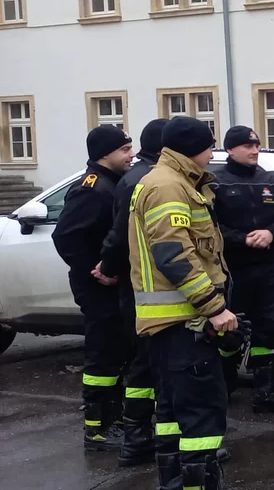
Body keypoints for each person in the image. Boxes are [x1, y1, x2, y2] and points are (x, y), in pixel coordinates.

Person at [129, 117, 238, 490]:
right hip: (184, 322)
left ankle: (175, 481)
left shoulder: (171, 182)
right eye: (210, 146)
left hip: (173, 322)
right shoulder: (168, 187)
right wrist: (214, 307)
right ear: (195, 148)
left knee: (174, 413)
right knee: (201, 416)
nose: (213, 153)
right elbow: (173, 255)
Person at [52, 125, 134, 451]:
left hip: (113, 282)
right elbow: (66, 236)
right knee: (103, 355)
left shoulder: (112, 183)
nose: (131, 155)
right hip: (98, 286)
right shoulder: (93, 188)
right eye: (125, 149)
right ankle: (98, 427)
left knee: (117, 351)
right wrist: (95, 270)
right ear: (105, 154)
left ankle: (115, 418)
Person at [211, 126, 274, 414]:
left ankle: (267, 393)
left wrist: (271, 233)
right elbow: (210, 228)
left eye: (256, 145)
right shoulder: (217, 183)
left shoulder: (268, 181)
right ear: (230, 150)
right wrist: (242, 239)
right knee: (230, 331)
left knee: (269, 330)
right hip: (233, 270)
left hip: (269, 268)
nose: (254, 150)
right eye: (247, 146)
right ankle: (222, 390)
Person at [97, 119, 167, 466]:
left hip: (140, 286)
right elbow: (120, 234)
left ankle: (138, 435)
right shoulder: (144, 180)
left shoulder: (137, 177)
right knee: (149, 362)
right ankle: (139, 436)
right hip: (146, 288)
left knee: (146, 362)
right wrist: (107, 267)